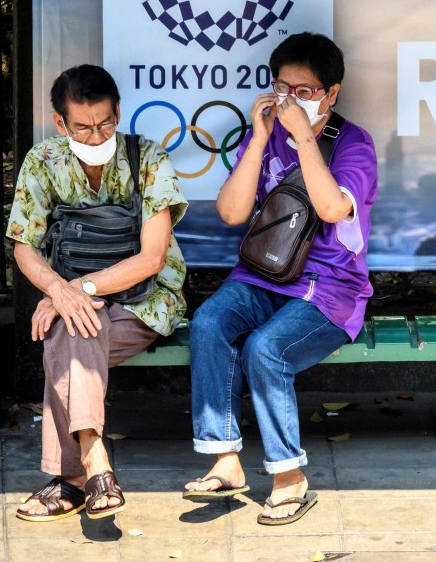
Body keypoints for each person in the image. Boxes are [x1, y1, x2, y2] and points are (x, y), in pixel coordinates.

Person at [183, 33, 377, 525]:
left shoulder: (354, 144)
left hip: (329, 291)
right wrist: (261, 136)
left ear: (332, 93)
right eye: (282, 87)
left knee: (265, 349)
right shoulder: (265, 132)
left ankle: (290, 477)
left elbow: (333, 207)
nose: (292, 100)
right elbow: (230, 212)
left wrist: (305, 138)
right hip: (262, 276)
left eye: (306, 91)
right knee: (209, 321)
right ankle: (225, 460)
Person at [8, 64, 188, 521]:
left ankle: (70, 478)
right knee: (76, 328)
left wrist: (74, 291)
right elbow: (24, 247)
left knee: (66, 334)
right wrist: (57, 290)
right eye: (83, 127)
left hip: (145, 299)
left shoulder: (148, 157)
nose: (95, 135)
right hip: (73, 296)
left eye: (106, 123)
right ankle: (96, 462)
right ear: (60, 123)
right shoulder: (43, 160)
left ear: (119, 113)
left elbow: (151, 258)